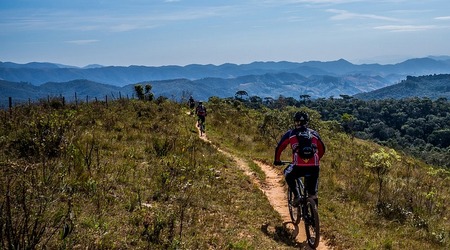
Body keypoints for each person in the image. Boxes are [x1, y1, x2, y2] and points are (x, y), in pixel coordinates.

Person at [274, 111, 325, 206]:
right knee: (313, 193)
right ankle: (314, 216)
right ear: (306, 122)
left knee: (287, 174)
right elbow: (322, 149)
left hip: (298, 166)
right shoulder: (314, 133)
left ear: (295, 121)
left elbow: (280, 147)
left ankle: (297, 195)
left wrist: (277, 160)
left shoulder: (290, 133)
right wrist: (317, 160)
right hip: (314, 166)